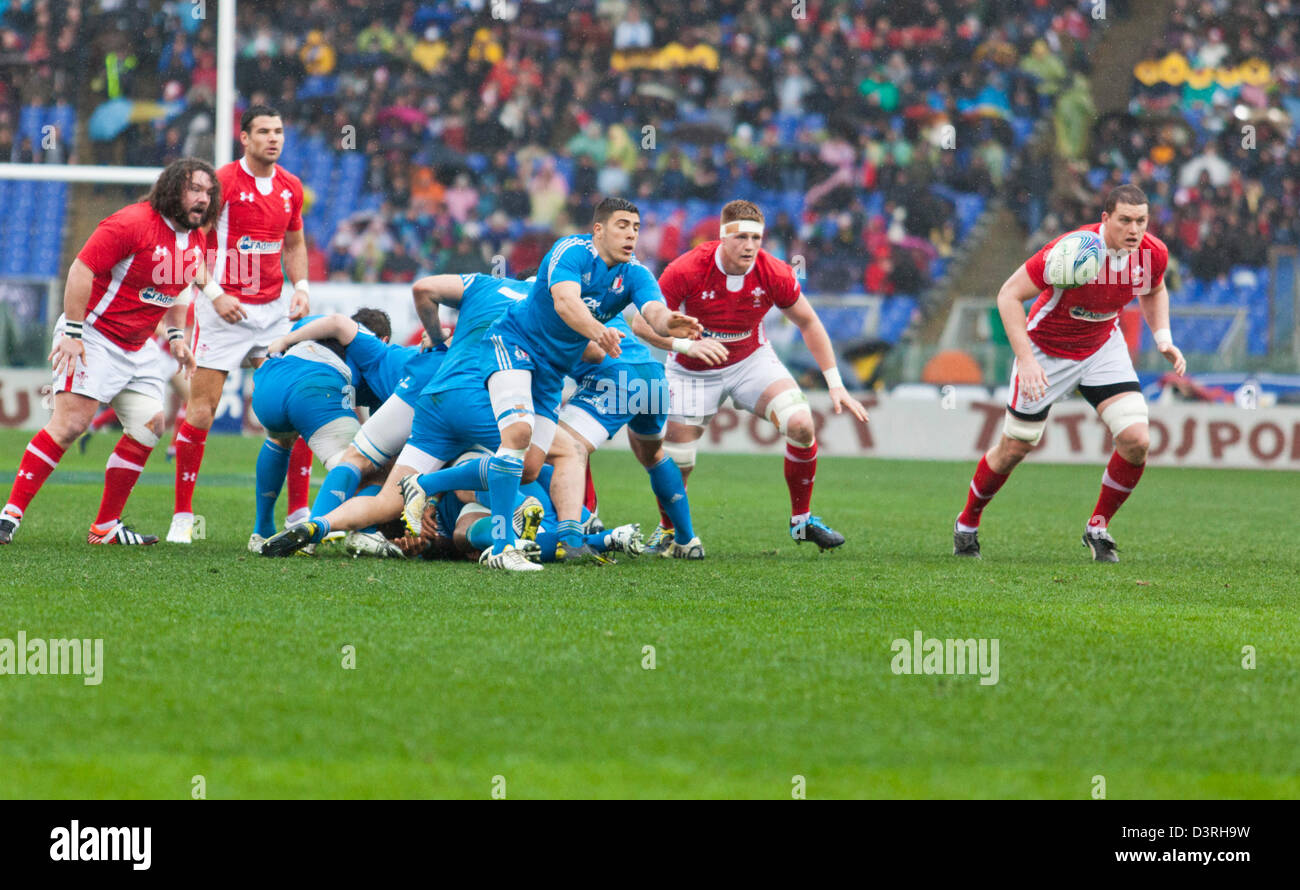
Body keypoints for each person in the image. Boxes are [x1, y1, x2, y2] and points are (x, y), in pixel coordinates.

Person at [952, 184, 1186, 562]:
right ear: (1105, 219)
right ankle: (967, 523)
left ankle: (1097, 527)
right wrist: (1027, 360)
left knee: (1137, 440)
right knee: (1017, 446)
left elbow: (1154, 289)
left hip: (1100, 347)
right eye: (1125, 220)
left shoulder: (1151, 253)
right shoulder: (1071, 249)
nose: (1134, 229)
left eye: (1141, 221)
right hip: (1046, 350)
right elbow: (1008, 296)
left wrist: (1163, 337)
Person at [467, 197, 702, 567]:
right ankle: (503, 547)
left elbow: (653, 312)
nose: (631, 234)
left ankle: (432, 483)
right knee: (520, 434)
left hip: (559, 372)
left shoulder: (635, 272)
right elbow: (564, 302)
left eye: (636, 228)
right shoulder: (571, 251)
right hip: (514, 346)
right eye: (622, 225)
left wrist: (670, 323)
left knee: (530, 466)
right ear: (598, 230)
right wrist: (599, 332)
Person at [631, 199, 870, 551]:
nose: (750, 246)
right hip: (691, 368)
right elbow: (640, 323)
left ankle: (801, 521)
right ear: (722, 238)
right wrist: (684, 347)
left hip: (750, 361)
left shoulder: (774, 271)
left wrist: (836, 384)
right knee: (679, 457)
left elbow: (808, 321)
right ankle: (669, 531)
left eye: (756, 238)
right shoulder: (686, 269)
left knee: (802, 424)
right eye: (741, 237)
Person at [0, 158, 213, 545]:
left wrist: (178, 336)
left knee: (150, 425)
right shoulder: (130, 223)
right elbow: (81, 269)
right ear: (171, 189)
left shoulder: (196, 240)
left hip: (138, 346)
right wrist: (74, 333)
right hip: (93, 335)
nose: (203, 199)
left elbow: (181, 290)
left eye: (208, 192)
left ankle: (105, 526)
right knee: (69, 425)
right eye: (195, 189)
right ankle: (9, 516)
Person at [168, 104, 311, 544]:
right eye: (264, 131)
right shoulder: (223, 183)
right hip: (222, 311)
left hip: (273, 313)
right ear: (244, 138)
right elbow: (190, 245)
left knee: (296, 407)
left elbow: (294, 243)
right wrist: (215, 294)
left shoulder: (290, 187)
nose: (274, 138)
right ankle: (182, 515)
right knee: (202, 411)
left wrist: (301, 285)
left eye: (279, 130)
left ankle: (295, 514)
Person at [557, 310, 724, 559]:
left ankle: (586, 523)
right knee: (654, 455)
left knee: (558, 449)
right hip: (652, 375)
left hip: (614, 376)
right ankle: (687, 540)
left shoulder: (547, 302)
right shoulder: (589, 297)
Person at [247, 308, 394, 552]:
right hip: (316, 387)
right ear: (384, 340)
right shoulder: (373, 348)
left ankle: (261, 531)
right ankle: (357, 533)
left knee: (279, 440)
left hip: (269, 384)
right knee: (366, 463)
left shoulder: (311, 322)